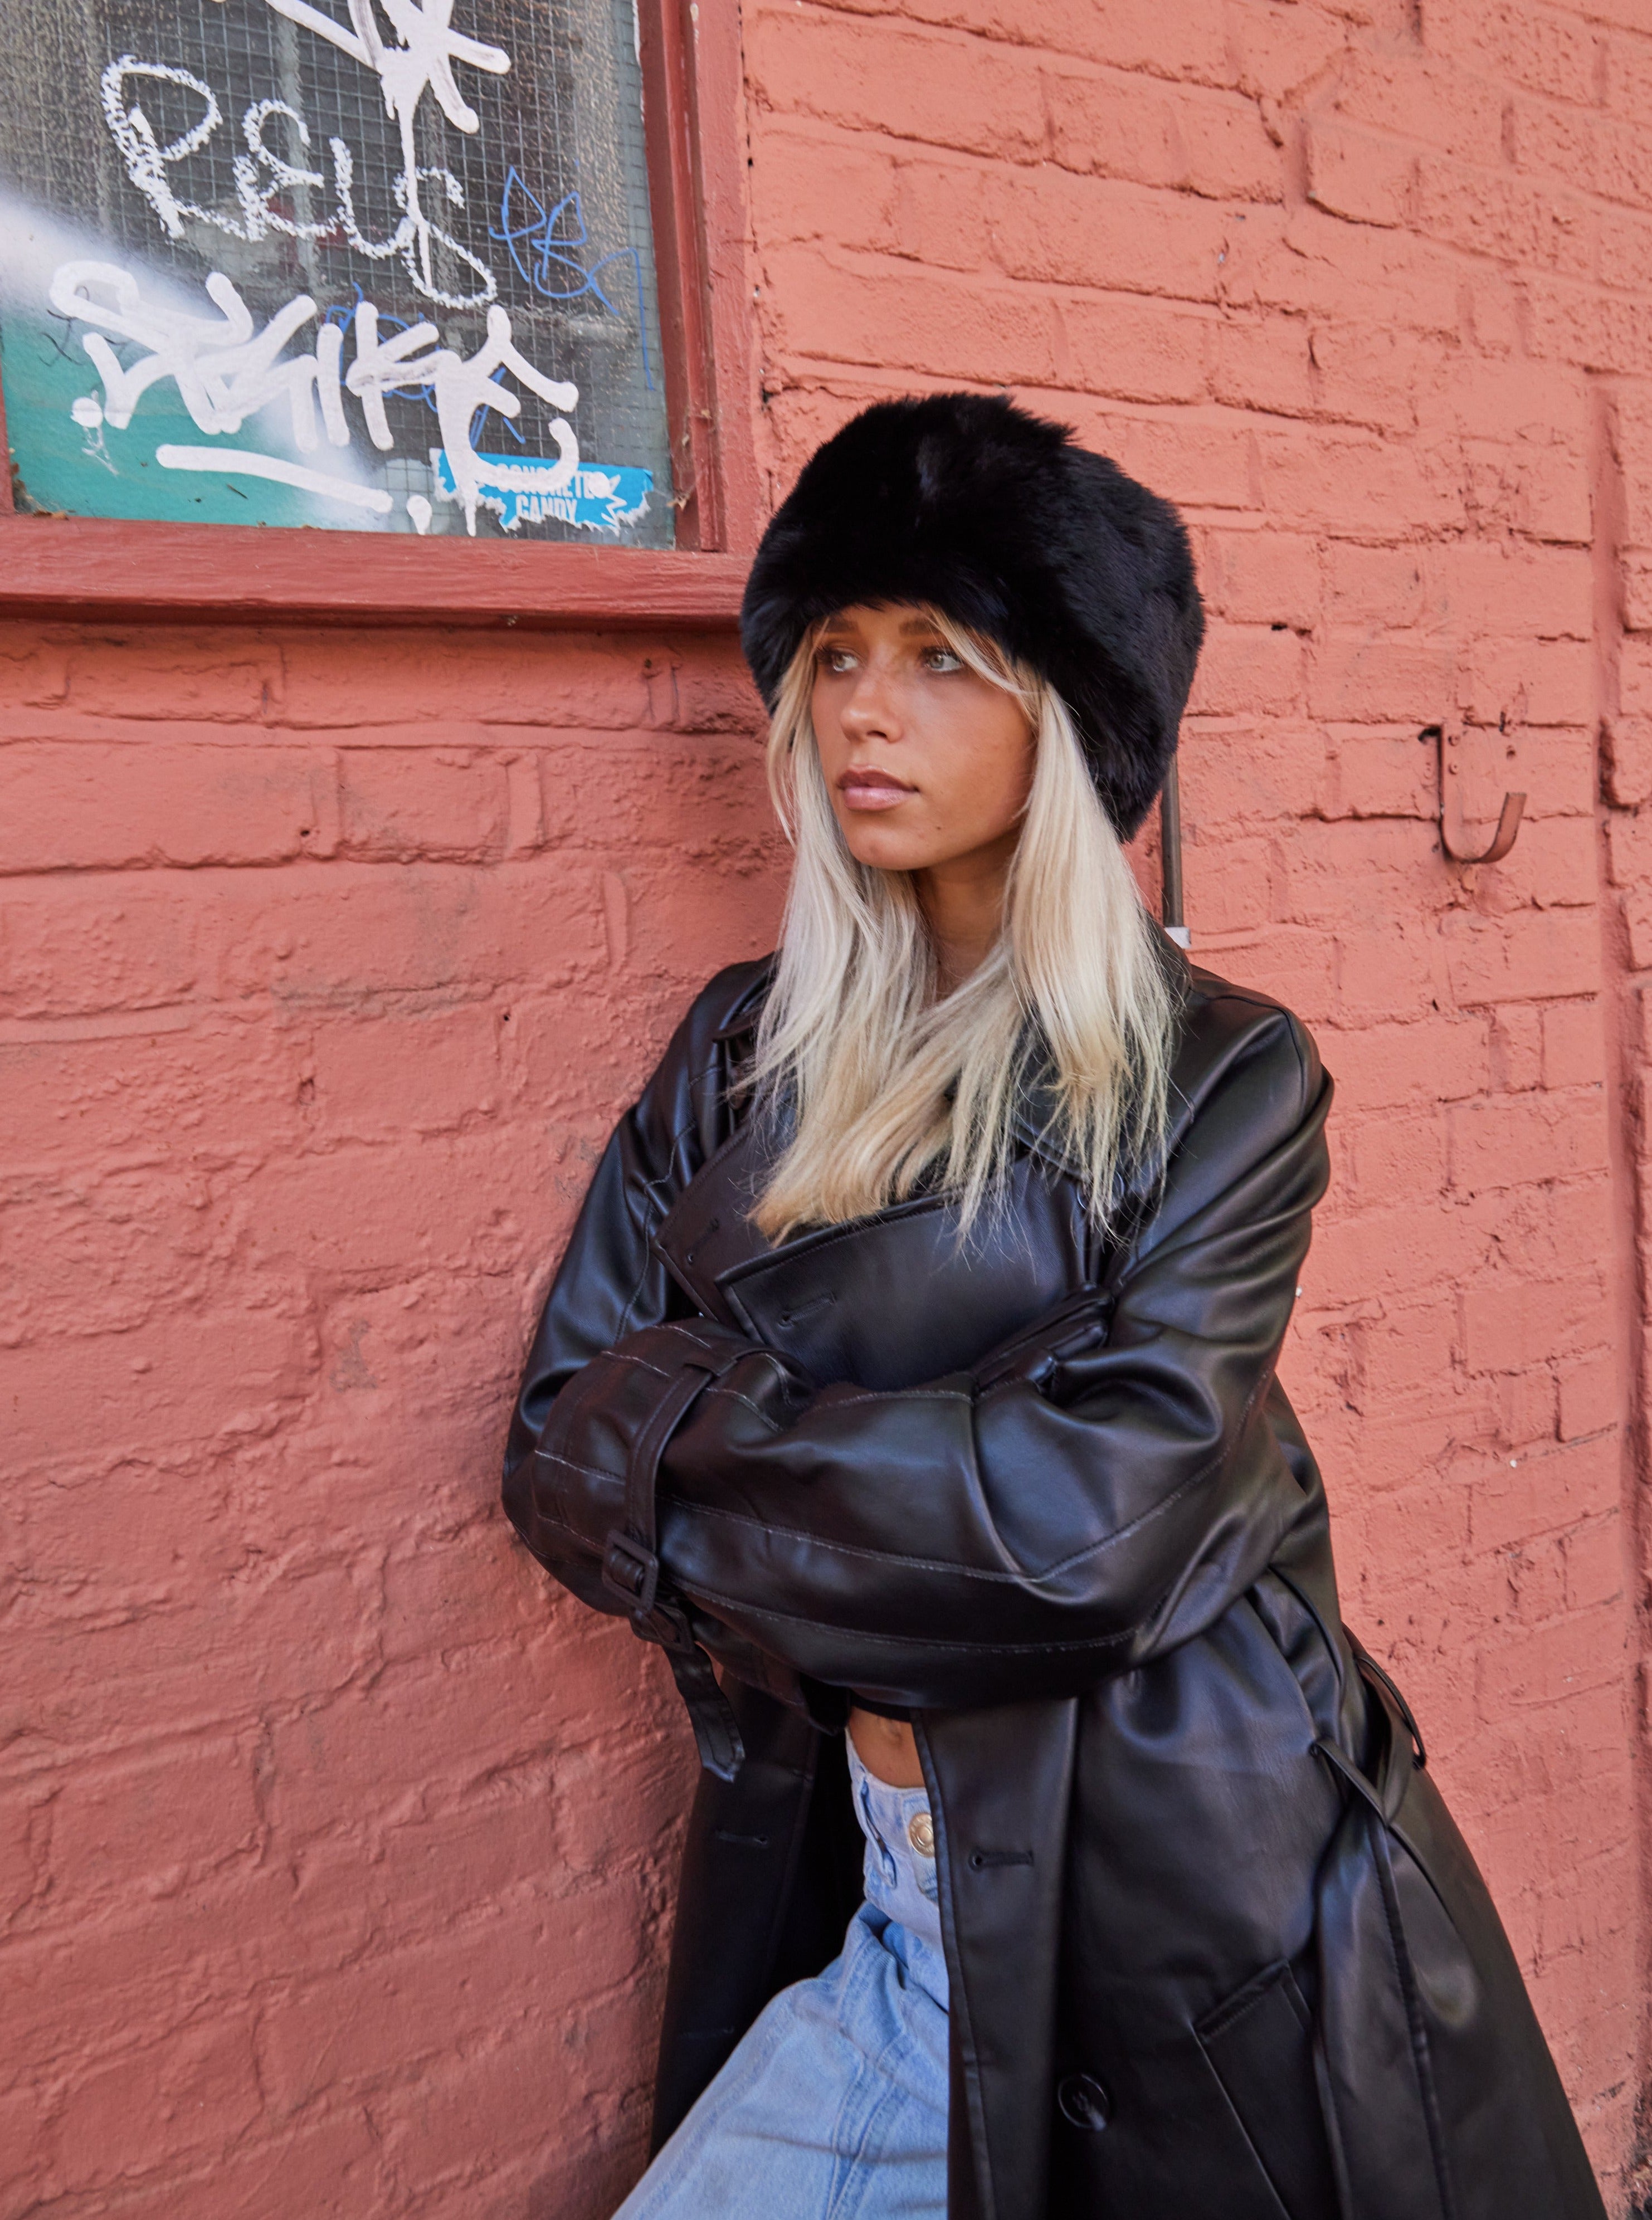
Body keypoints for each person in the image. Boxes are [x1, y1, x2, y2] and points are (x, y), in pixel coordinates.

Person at [502, 393, 1604, 2220]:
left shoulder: (1224, 1078)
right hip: (875, 1889)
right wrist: (976, 1466)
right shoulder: (734, 1055)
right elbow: (556, 1450)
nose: (863, 707)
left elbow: (1085, 1532)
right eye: (836, 654)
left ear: (1069, 721)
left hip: (1192, 1898)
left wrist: (700, 1425)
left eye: (941, 656)